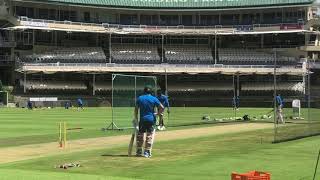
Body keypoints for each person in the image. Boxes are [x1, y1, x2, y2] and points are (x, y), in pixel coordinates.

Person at [134, 86, 164, 158]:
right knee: (149, 135)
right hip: (151, 119)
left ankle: (139, 151)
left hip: (142, 119)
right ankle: (147, 152)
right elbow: (162, 107)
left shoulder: (140, 98)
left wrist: (135, 118)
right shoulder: (154, 98)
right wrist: (158, 114)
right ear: (151, 92)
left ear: (144, 91)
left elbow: (136, 109)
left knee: (140, 135)